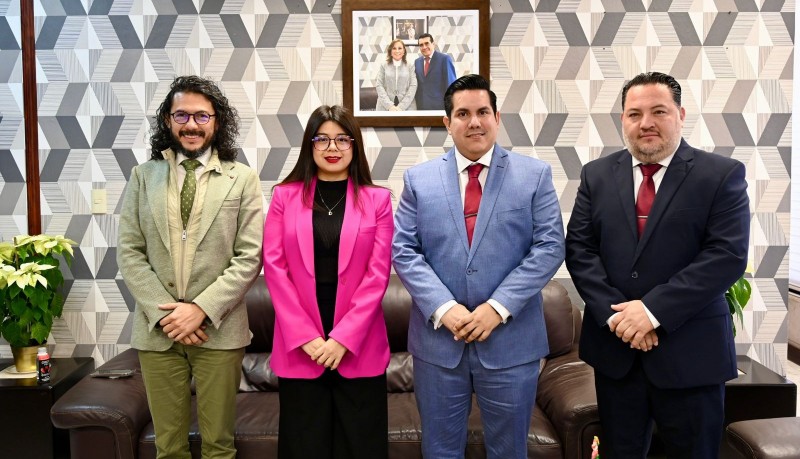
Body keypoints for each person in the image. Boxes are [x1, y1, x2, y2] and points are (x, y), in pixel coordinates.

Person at [565, 72, 750, 458]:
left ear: (680, 114)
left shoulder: (721, 175)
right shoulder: (596, 175)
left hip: (690, 354)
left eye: (659, 111)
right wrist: (619, 318)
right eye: (634, 114)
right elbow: (580, 250)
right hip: (616, 354)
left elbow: (726, 256)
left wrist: (651, 313)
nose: (645, 122)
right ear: (623, 120)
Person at [392, 74, 565, 458]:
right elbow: (403, 250)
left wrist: (496, 308)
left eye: (483, 112)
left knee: (509, 451)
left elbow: (550, 247)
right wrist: (445, 308)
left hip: (511, 341)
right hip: (439, 344)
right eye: (463, 114)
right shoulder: (418, 180)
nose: (474, 122)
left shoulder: (534, 175)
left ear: (497, 118)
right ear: (447, 122)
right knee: (440, 451)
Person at [117, 75, 263, 458]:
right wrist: (169, 316)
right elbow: (130, 252)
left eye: (202, 116)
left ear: (217, 121)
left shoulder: (242, 179)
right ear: (168, 120)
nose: (191, 125)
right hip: (158, 330)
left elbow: (250, 256)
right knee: (168, 448)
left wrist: (200, 309)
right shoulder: (143, 177)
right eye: (181, 115)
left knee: (219, 446)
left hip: (220, 329)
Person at [263, 105, 393, 459]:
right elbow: (274, 267)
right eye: (322, 139)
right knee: (303, 447)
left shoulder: (378, 200)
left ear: (355, 146)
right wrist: (306, 337)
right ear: (310, 145)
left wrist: (342, 339)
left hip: (359, 345)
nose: (332, 147)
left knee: (362, 448)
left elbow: (378, 274)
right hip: (300, 346)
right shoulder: (284, 197)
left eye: (342, 139)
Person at [414, 33, 457, 110]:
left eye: (427, 43)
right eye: (421, 45)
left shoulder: (444, 59)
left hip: (440, 108)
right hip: (421, 107)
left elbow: (451, 86)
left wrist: (450, 108)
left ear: (433, 44)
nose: (424, 47)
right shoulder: (417, 62)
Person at [375, 39, 417, 111]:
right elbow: (379, 85)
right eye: (394, 48)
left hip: (407, 107)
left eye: (400, 48)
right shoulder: (383, 65)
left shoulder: (410, 66)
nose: (397, 51)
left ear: (404, 51)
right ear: (390, 51)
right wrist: (389, 106)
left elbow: (413, 86)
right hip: (385, 107)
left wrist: (402, 106)